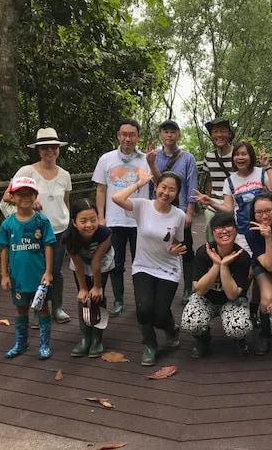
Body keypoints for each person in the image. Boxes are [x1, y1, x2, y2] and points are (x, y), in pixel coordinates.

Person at [113, 171, 186, 366]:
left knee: (160, 315)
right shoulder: (142, 206)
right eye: (163, 187)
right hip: (143, 266)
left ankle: (171, 328)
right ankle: (149, 345)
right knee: (144, 308)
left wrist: (176, 249)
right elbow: (116, 198)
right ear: (156, 187)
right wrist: (139, 183)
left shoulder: (179, 215)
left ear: (177, 193)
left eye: (172, 189)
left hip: (168, 268)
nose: (166, 192)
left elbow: (179, 241)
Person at [2, 127, 72, 327]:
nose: (49, 151)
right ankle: (38, 308)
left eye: (53, 147)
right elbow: (8, 195)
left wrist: (71, 224)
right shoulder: (27, 171)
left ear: (58, 149)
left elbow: (66, 202)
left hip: (58, 228)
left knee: (56, 270)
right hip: (33, 230)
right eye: (44, 147)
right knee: (36, 269)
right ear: (38, 150)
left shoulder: (65, 175)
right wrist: (30, 202)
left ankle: (56, 307)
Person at [92, 118, 150, 317]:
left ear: (138, 137)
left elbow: (158, 184)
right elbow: (101, 189)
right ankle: (118, 299)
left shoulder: (146, 160)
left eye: (131, 135)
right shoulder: (106, 159)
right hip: (114, 220)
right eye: (124, 134)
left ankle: (141, 300)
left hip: (140, 220)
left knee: (140, 261)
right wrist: (100, 216)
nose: (127, 138)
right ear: (118, 135)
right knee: (116, 262)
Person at [0, 177, 55, 360]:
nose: (25, 198)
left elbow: (48, 245)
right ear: (12, 197)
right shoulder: (8, 224)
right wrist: (4, 275)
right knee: (21, 308)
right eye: (20, 195)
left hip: (38, 276)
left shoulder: (42, 221)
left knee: (42, 308)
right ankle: (21, 342)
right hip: (18, 277)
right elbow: (4, 250)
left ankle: (45, 344)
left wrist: (48, 271)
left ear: (35, 196)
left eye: (29, 194)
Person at [181, 212, 253, 358]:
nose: (224, 231)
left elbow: (233, 294)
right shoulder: (203, 252)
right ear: (212, 232)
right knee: (191, 322)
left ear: (236, 229)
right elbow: (199, 290)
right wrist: (216, 264)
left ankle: (240, 340)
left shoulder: (242, 256)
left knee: (238, 327)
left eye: (228, 226)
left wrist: (224, 266)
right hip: (206, 299)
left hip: (232, 300)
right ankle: (203, 339)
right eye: (219, 227)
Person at [195, 141, 272, 254]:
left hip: (265, 230)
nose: (240, 157)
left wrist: (267, 167)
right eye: (237, 154)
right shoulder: (229, 181)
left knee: (269, 263)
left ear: (251, 156)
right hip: (243, 232)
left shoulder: (261, 173)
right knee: (248, 267)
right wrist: (210, 202)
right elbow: (228, 209)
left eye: (244, 154)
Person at [148, 120, 198, 306]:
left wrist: (190, 212)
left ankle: (187, 288)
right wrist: (151, 163)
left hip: (182, 209)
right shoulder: (154, 157)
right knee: (160, 245)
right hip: (160, 210)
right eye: (166, 132)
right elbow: (154, 183)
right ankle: (158, 284)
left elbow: (192, 185)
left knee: (186, 249)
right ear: (161, 134)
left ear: (178, 135)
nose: (169, 135)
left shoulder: (188, 158)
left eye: (173, 132)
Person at [61, 198, 114, 358]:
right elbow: (78, 264)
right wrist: (83, 288)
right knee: (83, 297)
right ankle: (85, 338)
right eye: (83, 221)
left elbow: (96, 262)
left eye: (93, 219)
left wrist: (97, 287)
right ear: (75, 222)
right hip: (81, 261)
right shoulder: (68, 237)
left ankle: (97, 338)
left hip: (102, 260)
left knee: (98, 296)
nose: (89, 225)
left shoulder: (105, 233)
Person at [245, 194, 272, 355]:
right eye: (259, 212)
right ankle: (265, 334)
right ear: (253, 214)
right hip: (264, 267)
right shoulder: (252, 233)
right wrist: (268, 238)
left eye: (269, 210)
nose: (264, 216)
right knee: (268, 298)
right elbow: (269, 266)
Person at [201, 117, 235, 241]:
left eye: (222, 131)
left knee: (232, 240)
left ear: (229, 133)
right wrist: (207, 199)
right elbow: (209, 179)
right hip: (213, 205)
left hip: (234, 206)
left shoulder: (237, 154)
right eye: (215, 132)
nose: (219, 135)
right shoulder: (209, 156)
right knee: (212, 240)